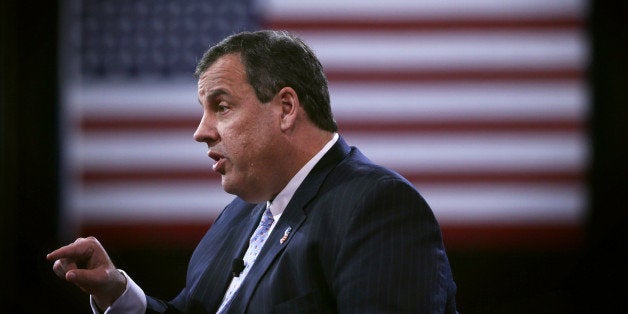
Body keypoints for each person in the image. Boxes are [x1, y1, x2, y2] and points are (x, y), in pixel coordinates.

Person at [47, 30, 458, 313]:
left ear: (285, 109)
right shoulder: (240, 215)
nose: (200, 132)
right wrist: (117, 292)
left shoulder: (376, 207)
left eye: (221, 106)